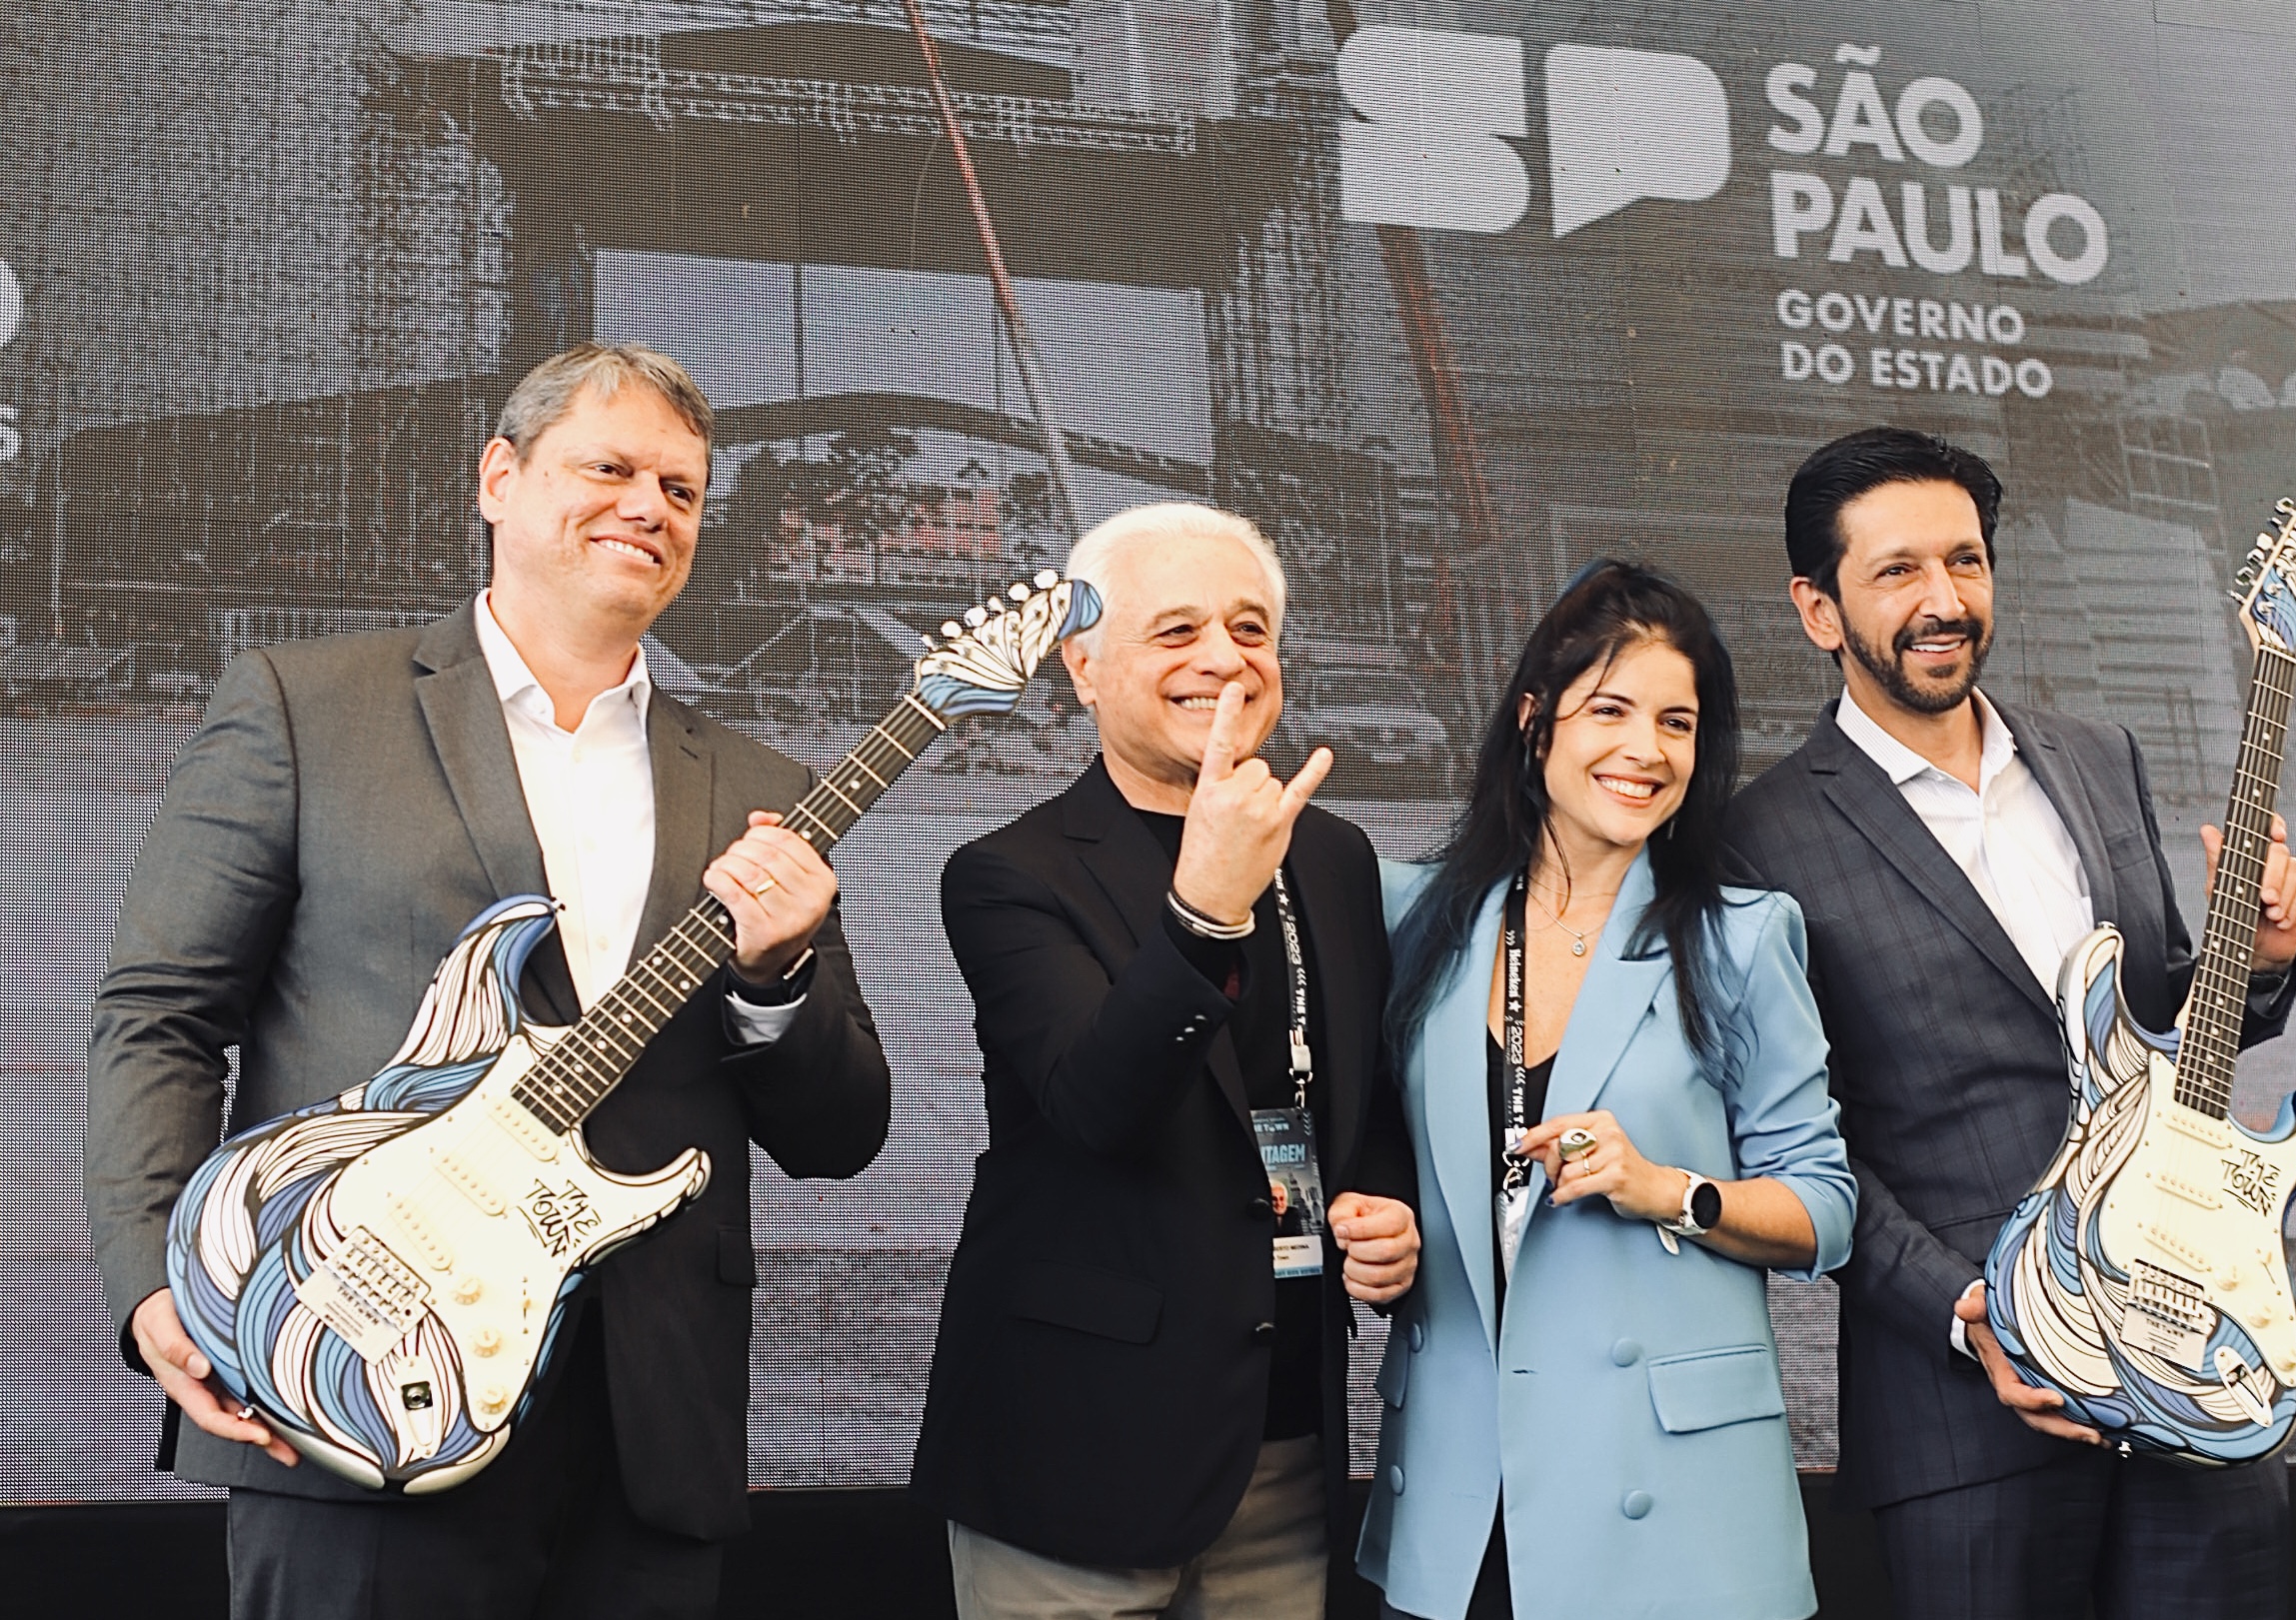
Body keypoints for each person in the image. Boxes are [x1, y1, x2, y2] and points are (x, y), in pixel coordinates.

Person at [84, 344, 893, 1619]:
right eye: (610, 468)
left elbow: (841, 1132)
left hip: (648, 1440)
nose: (648, 506)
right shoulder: (306, 706)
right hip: (349, 1394)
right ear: (497, 479)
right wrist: (152, 1280)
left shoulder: (758, 784)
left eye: (680, 490)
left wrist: (776, 972)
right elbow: (160, 1017)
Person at [1721, 427, 2296, 1620]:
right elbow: (1798, 1142)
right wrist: (1969, 1310)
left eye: (1964, 561)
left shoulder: (2099, 761)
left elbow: (2152, 1044)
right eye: (1895, 571)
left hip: (2189, 1372)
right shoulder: (1757, 837)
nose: (1941, 599)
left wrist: (2250, 969)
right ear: (1816, 607)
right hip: (1963, 1413)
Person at [912, 502, 1422, 1619]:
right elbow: (1093, 1104)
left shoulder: (1331, 854)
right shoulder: (1007, 873)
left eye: (1248, 628)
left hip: (1281, 1440)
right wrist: (1203, 906)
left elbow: (1352, 1097)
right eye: (1174, 631)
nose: (1221, 659)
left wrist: (1380, 1201)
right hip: (1074, 1451)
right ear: (1082, 668)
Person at [1357, 560, 1856, 1620]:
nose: (1645, 750)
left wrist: (1666, 1187)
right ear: (1536, 722)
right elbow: (1369, 1146)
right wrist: (1375, 1219)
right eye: (1611, 709)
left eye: (1675, 723)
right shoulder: (1413, 920)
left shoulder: (1738, 936)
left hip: (1671, 1498)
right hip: (1463, 1491)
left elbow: (1823, 1208)